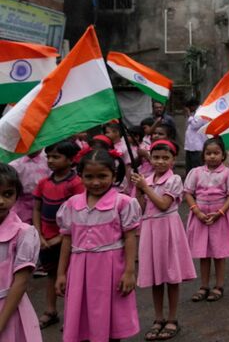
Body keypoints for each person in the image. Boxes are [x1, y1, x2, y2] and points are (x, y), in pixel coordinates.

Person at [55, 149, 141, 342]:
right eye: (89, 177)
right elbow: (67, 239)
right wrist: (61, 273)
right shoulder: (72, 204)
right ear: (80, 176)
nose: (95, 182)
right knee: (82, 318)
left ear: (113, 175)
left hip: (110, 270)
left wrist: (129, 272)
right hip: (79, 270)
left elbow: (130, 237)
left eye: (102, 176)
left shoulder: (123, 202)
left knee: (112, 322)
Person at [132, 140, 196, 340]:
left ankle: (172, 318)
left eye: (165, 158)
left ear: (172, 160)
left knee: (171, 276)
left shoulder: (174, 179)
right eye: (156, 157)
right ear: (150, 159)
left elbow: (163, 204)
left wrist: (145, 187)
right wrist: (139, 191)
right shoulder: (145, 180)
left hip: (168, 229)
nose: (160, 161)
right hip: (150, 230)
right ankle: (158, 318)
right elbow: (140, 209)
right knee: (155, 278)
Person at [31, 140, 82, 330]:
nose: (51, 160)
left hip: (67, 239)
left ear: (70, 160)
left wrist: (59, 238)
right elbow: (37, 209)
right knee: (51, 274)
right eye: (48, 157)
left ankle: (72, 316)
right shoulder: (43, 183)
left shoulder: (76, 184)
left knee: (70, 277)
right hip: (46, 238)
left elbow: (78, 215)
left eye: (56, 157)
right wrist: (38, 234)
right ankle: (50, 310)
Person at [184, 138, 229, 303]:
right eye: (208, 153)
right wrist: (197, 211)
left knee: (218, 253)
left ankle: (219, 286)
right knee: (204, 253)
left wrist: (220, 212)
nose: (212, 156)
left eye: (216, 153)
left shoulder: (228, 174)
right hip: (200, 216)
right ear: (203, 155)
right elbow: (188, 193)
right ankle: (204, 285)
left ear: (223, 155)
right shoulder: (196, 172)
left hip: (220, 217)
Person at [0, 163, 43, 342]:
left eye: (7, 194)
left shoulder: (24, 233)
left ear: (17, 195)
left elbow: (20, 282)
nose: (1, 201)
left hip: (8, 310)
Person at [9, 150, 49, 224]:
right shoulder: (15, 163)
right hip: (21, 201)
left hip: (44, 200)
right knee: (22, 224)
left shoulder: (47, 160)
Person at [183, 98, 207, 175]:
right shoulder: (195, 113)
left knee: (196, 168)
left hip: (197, 146)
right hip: (191, 146)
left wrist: (189, 115)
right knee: (190, 168)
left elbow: (195, 125)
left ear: (192, 106)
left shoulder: (201, 113)